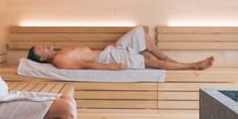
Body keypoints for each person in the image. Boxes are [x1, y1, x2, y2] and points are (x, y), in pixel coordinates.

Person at [27, 26, 214, 71]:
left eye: (41, 45)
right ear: (42, 59)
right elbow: (85, 65)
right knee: (150, 62)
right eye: (40, 50)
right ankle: (192, 65)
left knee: (140, 32)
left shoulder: (60, 52)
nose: (43, 46)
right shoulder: (60, 60)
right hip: (107, 59)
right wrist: (111, 67)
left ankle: (172, 61)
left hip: (109, 51)